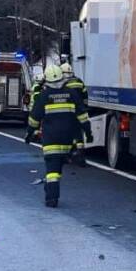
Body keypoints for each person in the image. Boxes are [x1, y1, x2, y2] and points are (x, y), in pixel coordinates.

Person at [27, 63, 91, 207]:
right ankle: (51, 188)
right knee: (58, 168)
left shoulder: (44, 95)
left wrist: (29, 133)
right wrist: (88, 132)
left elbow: (34, 118)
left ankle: (51, 198)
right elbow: (82, 115)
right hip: (67, 140)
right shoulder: (72, 93)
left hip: (51, 139)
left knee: (52, 171)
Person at [59, 60, 89, 166]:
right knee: (78, 134)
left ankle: (67, 156)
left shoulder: (63, 84)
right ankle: (80, 156)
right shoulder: (79, 81)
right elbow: (85, 97)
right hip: (79, 112)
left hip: (67, 113)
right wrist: (84, 108)